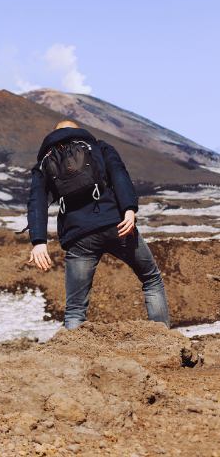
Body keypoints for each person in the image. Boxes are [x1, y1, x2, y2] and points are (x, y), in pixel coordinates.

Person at [26, 120, 169, 329]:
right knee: (151, 279)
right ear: (78, 131)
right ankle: (162, 341)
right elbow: (119, 174)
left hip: (78, 236)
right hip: (116, 225)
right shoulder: (99, 147)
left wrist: (39, 241)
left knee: (75, 307)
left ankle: (72, 357)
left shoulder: (45, 161)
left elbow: (36, 200)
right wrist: (129, 209)